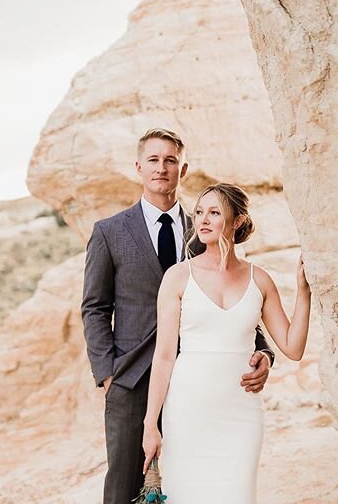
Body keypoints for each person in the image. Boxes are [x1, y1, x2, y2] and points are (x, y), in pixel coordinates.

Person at [81, 129, 275, 504]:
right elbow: (95, 307)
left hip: (196, 383)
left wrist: (263, 352)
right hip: (132, 378)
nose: (161, 168)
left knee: (193, 484)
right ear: (138, 167)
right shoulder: (109, 232)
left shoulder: (206, 226)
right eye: (153, 160)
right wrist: (108, 375)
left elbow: (235, 298)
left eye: (170, 160)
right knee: (125, 487)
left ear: (182, 169)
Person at [142, 182, 311, 504]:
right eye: (200, 212)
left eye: (215, 212)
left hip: (241, 413)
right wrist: (152, 424)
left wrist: (304, 292)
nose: (203, 220)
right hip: (187, 410)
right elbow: (163, 357)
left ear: (237, 222)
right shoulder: (177, 277)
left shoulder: (259, 279)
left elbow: (293, 347)